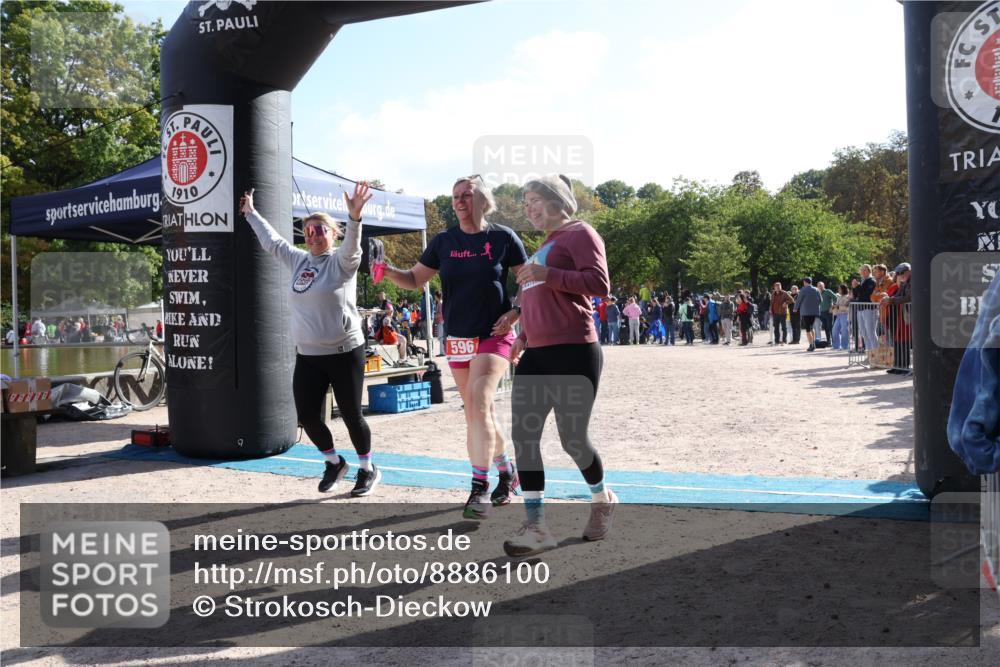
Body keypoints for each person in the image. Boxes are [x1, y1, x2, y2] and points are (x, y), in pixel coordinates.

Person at [379, 175, 527, 517]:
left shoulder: (504, 238)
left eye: (466, 195)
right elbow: (416, 279)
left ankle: (479, 489)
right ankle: (508, 470)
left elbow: (527, 282)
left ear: (483, 200)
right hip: (458, 338)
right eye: (455, 197)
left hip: (495, 333)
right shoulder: (444, 241)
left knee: (478, 403)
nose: (460, 201)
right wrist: (387, 271)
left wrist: (517, 312)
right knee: (478, 414)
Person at [240, 183, 382, 497]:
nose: (314, 234)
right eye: (308, 230)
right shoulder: (299, 261)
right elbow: (273, 242)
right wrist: (251, 214)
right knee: (306, 416)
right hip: (308, 355)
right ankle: (334, 462)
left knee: (351, 415)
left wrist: (355, 218)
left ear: (333, 234)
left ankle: (368, 469)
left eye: (320, 229)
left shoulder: (342, 263)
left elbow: (353, 248)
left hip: (344, 351)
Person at [504, 174, 615, 557]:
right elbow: (539, 301)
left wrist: (548, 274)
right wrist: (522, 334)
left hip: (574, 349)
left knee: (572, 439)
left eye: (534, 199)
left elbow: (600, 285)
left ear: (558, 200)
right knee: (524, 436)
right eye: (525, 202)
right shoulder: (543, 247)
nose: (528, 207)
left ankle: (602, 499)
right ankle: (536, 526)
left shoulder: (581, 233)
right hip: (536, 353)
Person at [880, 263, 912, 374]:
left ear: (908, 272)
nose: (900, 276)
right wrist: (889, 299)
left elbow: (908, 298)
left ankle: (904, 366)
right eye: (898, 274)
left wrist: (891, 300)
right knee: (898, 340)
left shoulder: (913, 282)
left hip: (907, 315)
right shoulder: (905, 283)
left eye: (902, 273)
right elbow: (898, 295)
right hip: (900, 314)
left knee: (904, 341)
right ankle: (898, 365)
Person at [793, 277, 822, 351]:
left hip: (806, 312)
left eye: (804, 282)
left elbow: (799, 300)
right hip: (814, 312)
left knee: (808, 329)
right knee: (811, 327)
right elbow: (820, 300)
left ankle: (811, 345)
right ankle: (814, 343)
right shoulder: (816, 289)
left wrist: (795, 308)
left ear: (805, 282)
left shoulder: (803, 290)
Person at [855, 264, 878, 352]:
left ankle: (876, 356)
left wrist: (857, 286)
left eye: (865, 270)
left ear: (869, 271)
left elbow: (866, 295)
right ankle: (869, 355)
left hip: (869, 309)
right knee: (864, 333)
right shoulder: (863, 281)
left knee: (870, 332)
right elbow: (858, 295)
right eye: (862, 270)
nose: (863, 272)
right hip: (860, 309)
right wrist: (855, 287)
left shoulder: (871, 281)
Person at [831, 284, 852, 350]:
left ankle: (845, 346)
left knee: (844, 331)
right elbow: (837, 306)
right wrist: (833, 307)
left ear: (843, 289)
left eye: (839, 289)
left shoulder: (848, 297)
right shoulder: (839, 297)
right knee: (834, 330)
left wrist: (837, 306)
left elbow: (848, 308)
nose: (838, 290)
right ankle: (836, 346)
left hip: (845, 315)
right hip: (838, 315)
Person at [433, 291, 446, 356]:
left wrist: (435, 315)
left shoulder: (440, 303)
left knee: (441, 337)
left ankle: (442, 352)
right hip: (441, 322)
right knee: (441, 337)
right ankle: (442, 351)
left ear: (436, 296)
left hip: (441, 322)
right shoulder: (440, 303)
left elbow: (441, 314)